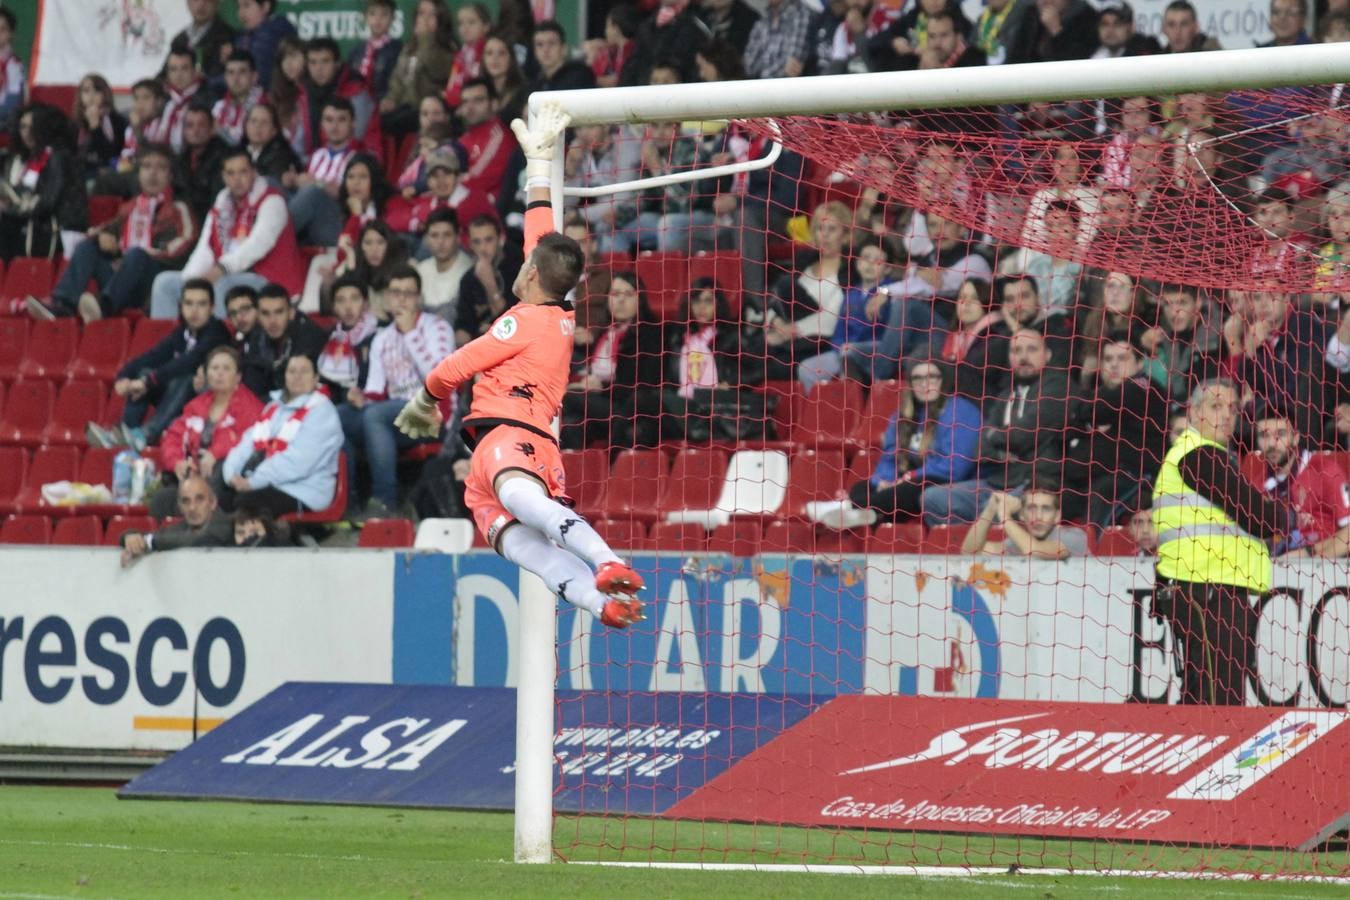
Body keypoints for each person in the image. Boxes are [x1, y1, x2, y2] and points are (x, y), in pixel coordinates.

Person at [395, 105, 646, 630]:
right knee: (536, 557)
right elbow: (543, 237)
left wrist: (424, 401)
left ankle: (609, 562)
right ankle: (607, 605)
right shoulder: (558, 310)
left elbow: (458, 364)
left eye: (525, 262)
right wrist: (537, 164)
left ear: (530, 273)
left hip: (515, 437)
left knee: (524, 506)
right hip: (500, 451)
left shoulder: (524, 320)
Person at [1152, 379, 1292, 705]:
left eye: (1232, 408)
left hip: (1208, 586)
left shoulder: (1209, 457)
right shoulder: (1198, 456)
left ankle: (1196, 754)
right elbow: (1260, 519)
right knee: (1218, 698)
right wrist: (1288, 517)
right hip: (1205, 588)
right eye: (1216, 407)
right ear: (1194, 412)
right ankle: (1211, 756)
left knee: (1206, 691)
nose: (1226, 416)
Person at [921, 328, 1076, 525]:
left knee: (997, 514)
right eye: (1016, 351)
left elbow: (1022, 435)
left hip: (1035, 486)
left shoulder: (1058, 386)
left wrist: (997, 438)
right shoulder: (1006, 393)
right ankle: (968, 552)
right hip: (997, 483)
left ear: (1047, 354)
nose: (1023, 357)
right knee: (933, 499)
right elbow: (980, 448)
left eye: (1031, 349)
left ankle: (989, 547)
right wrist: (1002, 450)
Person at [30, 144, 195, 323]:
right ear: (138, 173)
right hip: (122, 280)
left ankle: (104, 306)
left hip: (151, 283)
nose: (152, 173)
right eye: (146, 167)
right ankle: (62, 305)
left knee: (137, 254)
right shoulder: (130, 208)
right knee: (87, 247)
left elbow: (185, 245)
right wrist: (101, 239)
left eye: (160, 168)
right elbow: (96, 232)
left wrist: (131, 253)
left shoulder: (179, 208)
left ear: (170, 176)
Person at [814, 356, 981, 529]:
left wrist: (908, 478)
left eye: (931, 377)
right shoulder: (901, 416)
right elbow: (889, 458)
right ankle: (865, 514)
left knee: (915, 487)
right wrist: (883, 481)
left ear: (943, 380)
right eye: (917, 378)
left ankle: (849, 507)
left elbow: (953, 468)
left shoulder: (962, 412)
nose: (925, 383)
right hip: (907, 484)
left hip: (946, 483)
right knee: (863, 486)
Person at [343, 264, 455, 516]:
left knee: (376, 415)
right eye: (396, 293)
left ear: (418, 297)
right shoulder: (382, 337)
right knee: (338, 416)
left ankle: (385, 500)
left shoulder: (437, 327)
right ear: (387, 297)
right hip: (393, 415)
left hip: (433, 414)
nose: (402, 299)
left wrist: (410, 335)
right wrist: (360, 397)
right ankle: (347, 501)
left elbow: (440, 381)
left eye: (408, 293)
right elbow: (374, 389)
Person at [150, 146, 304, 318]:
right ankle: (170, 341)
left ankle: (218, 342)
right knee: (164, 283)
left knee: (223, 285)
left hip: (269, 280)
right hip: (225, 273)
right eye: (231, 173)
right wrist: (191, 280)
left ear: (254, 173)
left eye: (243, 172)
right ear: (223, 177)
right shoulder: (221, 204)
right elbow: (206, 247)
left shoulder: (272, 201)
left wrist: (222, 268)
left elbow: (258, 245)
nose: (237, 179)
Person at [87, 279, 229, 451]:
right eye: (189, 303)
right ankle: (127, 432)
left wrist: (148, 381)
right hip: (177, 399)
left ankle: (146, 434)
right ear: (181, 306)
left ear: (212, 308)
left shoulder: (216, 332)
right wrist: (124, 376)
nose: (194, 310)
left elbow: (188, 362)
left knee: (185, 377)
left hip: (206, 402)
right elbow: (153, 356)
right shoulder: (182, 332)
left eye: (201, 304)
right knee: (144, 371)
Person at [218, 352, 342, 518]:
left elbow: (297, 462)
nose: (297, 376)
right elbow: (247, 443)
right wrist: (231, 474)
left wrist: (252, 482)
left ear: (315, 379)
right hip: (263, 482)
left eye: (304, 371)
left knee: (246, 502)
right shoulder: (273, 407)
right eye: (292, 371)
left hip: (303, 490)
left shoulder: (322, 411)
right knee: (219, 495)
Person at [152, 345, 265, 519]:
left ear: (238, 377)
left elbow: (250, 440)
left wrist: (215, 453)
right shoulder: (195, 405)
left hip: (228, 481)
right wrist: (177, 463)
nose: (219, 373)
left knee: (216, 472)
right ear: (207, 374)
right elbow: (172, 438)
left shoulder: (251, 406)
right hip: (195, 476)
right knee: (161, 499)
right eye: (214, 368)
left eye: (226, 368)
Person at [560, 271, 664, 450]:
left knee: (567, 398)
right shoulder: (604, 332)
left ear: (640, 299)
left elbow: (644, 386)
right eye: (615, 294)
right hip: (600, 405)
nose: (620, 300)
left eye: (628, 294)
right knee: (572, 425)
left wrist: (601, 388)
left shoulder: (650, 333)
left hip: (628, 408)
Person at [658, 279, 764, 443]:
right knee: (647, 413)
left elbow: (759, 369)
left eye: (707, 301)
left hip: (711, 405)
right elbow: (670, 378)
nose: (701, 307)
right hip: (682, 402)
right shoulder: (677, 337)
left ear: (718, 305)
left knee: (650, 401)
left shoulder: (731, 337)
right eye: (696, 301)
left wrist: (731, 383)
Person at [1249, 408, 1350, 559]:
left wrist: (1311, 557)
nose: (1271, 443)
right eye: (1264, 436)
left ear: (1296, 437)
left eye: (1281, 434)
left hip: (1323, 570)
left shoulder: (1325, 471)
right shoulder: (1257, 483)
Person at [0, 104, 86, 262]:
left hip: (55, 230)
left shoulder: (59, 158)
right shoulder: (26, 160)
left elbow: (48, 203)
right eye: (23, 127)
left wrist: (13, 210)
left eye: (33, 127)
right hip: (31, 225)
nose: (27, 133)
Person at [286, 97, 362, 248]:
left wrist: (315, 183)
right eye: (329, 120)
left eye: (341, 120)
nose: (334, 126)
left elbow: (352, 197)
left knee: (312, 193)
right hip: (310, 223)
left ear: (353, 124)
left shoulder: (360, 157)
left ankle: (270, 238)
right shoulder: (318, 155)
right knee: (271, 185)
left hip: (339, 223)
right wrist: (294, 181)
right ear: (322, 124)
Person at [379, 0, 456, 139]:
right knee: (380, 119)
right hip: (404, 106)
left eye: (431, 14)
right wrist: (391, 99)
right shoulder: (409, 48)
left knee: (390, 123)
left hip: (426, 109)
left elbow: (435, 69)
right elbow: (397, 79)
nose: (425, 19)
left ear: (441, 19)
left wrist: (426, 38)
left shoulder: (447, 49)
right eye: (421, 13)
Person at [119, 475, 233, 567]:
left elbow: (198, 541)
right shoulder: (180, 528)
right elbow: (160, 536)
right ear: (180, 506)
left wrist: (149, 542)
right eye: (186, 501)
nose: (192, 507)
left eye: (199, 499)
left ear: (213, 503)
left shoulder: (226, 525)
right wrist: (131, 537)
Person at [245, 282, 329, 398]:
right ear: (258, 315)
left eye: (279, 312)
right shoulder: (257, 335)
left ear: (291, 313)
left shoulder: (310, 337)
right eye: (265, 313)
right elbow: (253, 382)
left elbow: (302, 385)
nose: (272, 321)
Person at [962, 484, 1091, 558]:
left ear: (1057, 516)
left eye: (1046, 509)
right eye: (1031, 508)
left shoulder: (1074, 537)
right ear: (1022, 514)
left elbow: (1033, 551)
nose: (1038, 516)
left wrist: (1004, 514)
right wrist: (990, 510)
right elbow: (969, 553)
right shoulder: (1016, 543)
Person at [455, 214, 524, 344]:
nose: (483, 248)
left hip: (512, 340)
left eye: (488, 240)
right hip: (480, 345)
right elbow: (463, 325)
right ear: (470, 244)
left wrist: (489, 283)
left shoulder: (517, 266)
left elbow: (514, 317)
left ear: (501, 239)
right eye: (477, 242)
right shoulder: (468, 279)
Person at [317, 273, 380, 402]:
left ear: (366, 304)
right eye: (340, 300)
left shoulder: (378, 335)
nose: (347, 307)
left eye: (354, 299)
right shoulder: (330, 337)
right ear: (333, 307)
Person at [455, 77, 517, 199]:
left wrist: (446, 182)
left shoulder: (499, 136)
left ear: (494, 104)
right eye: (465, 102)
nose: (470, 107)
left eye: (478, 100)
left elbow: (478, 180)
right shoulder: (464, 138)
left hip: (485, 209)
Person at [416, 208, 474, 322]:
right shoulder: (421, 269)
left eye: (447, 235)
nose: (440, 242)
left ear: (458, 238)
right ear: (426, 239)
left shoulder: (468, 272)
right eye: (434, 235)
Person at [235, 0, 299, 92]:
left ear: (265, 6)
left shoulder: (272, 33)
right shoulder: (242, 36)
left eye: (246, 5)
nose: (241, 13)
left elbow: (256, 77)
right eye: (238, 7)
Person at [742, 0, 813, 80]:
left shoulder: (801, 14)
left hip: (786, 88)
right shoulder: (766, 16)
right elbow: (749, 65)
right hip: (759, 87)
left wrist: (761, 73)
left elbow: (791, 68)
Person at [74, 74, 127, 181]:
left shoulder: (117, 121)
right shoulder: (75, 123)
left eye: (97, 90)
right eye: (86, 91)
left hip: (108, 174)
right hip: (81, 175)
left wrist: (95, 127)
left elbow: (111, 157)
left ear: (105, 94)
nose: (91, 95)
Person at [348, 0, 403, 101]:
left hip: (382, 103)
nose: (378, 19)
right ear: (365, 17)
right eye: (372, 13)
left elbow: (398, 84)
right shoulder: (356, 51)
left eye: (384, 14)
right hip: (354, 102)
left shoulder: (398, 49)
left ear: (393, 18)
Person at [167, 0, 235, 82]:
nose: (201, 4)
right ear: (188, 3)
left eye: (208, 1)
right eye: (196, 0)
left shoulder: (227, 35)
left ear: (217, 4)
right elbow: (165, 73)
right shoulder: (179, 39)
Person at [443, 2, 491, 108]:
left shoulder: (489, 51)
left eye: (471, 22)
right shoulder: (460, 55)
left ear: (486, 26)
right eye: (461, 23)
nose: (465, 28)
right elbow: (452, 86)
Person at [243, 102, 304, 184]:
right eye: (253, 121)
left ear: (274, 130)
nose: (257, 126)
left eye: (264, 122)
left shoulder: (281, 154)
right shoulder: (240, 150)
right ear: (246, 125)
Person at [159, 47, 206, 153]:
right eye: (173, 69)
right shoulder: (164, 100)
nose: (178, 75)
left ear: (195, 71)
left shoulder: (207, 100)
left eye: (184, 68)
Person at [213, 50, 264, 145]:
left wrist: (219, 130)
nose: (235, 78)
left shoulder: (265, 106)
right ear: (225, 77)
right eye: (231, 72)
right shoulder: (219, 107)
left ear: (254, 77)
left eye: (242, 72)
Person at [0, 9, 27, 134]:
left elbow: (14, 102)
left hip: (6, 125)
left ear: (11, 33)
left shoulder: (16, 65)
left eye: (3, 29)